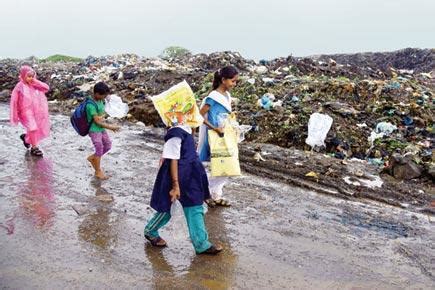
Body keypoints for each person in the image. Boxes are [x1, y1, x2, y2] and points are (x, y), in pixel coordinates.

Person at [144, 118, 222, 255]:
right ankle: (150, 230)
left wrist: (193, 128)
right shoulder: (175, 133)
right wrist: (175, 185)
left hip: (191, 173)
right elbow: (173, 159)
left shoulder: (186, 127)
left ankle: (201, 244)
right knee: (167, 207)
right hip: (177, 175)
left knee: (195, 205)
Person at [197, 66, 239, 207]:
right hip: (214, 136)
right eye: (233, 81)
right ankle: (203, 192)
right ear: (223, 80)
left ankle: (215, 195)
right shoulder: (212, 97)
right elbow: (199, 115)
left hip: (224, 135)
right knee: (222, 165)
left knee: (225, 167)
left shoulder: (226, 96)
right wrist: (214, 127)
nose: (234, 84)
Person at [10, 65, 51, 157]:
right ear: (23, 75)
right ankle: (34, 148)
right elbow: (14, 101)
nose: (31, 78)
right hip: (25, 112)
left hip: (36, 111)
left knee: (35, 128)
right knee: (32, 127)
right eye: (28, 76)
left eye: (32, 76)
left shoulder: (34, 84)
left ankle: (26, 138)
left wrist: (35, 81)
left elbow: (46, 88)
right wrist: (15, 115)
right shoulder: (19, 86)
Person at [86, 82, 120, 180]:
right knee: (99, 148)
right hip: (94, 130)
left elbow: (102, 114)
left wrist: (107, 113)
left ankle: (93, 158)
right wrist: (111, 127)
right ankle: (97, 171)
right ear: (96, 94)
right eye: (103, 95)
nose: (104, 97)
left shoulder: (101, 101)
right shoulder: (90, 105)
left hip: (101, 128)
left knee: (108, 145)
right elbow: (97, 122)